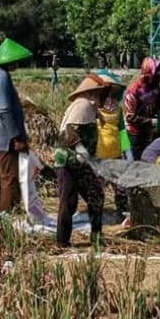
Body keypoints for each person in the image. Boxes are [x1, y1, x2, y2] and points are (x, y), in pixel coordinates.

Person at [53, 74, 108, 248]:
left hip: (81, 163)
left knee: (96, 196)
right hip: (68, 162)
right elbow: (69, 130)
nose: (104, 97)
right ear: (93, 93)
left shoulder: (91, 109)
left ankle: (97, 238)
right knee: (68, 201)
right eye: (102, 94)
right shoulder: (82, 105)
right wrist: (81, 149)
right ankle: (62, 243)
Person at [0, 38, 33, 213]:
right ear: (8, 60)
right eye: (16, 61)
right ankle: (7, 215)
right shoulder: (2, 77)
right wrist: (16, 137)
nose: (18, 65)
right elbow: (4, 110)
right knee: (9, 178)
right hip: (4, 136)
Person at [93, 69, 133, 220]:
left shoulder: (118, 109)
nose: (109, 95)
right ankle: (96, 215)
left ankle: (122, 215)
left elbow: (122, 132)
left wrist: (128, 154)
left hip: (116, 155)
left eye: (111, 90)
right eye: (106, 90)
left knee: (120, 188)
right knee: (98, 189)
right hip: (99, 156)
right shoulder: (94, 108)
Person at [123, 57, 160, 159]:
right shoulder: (134, 91)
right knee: (135, 161)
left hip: (148, 131)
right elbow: (129, 117)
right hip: (134, 133)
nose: (159, 77)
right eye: (157, 75)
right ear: (149, 75)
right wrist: (152, 122)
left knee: (148, 159)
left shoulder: (154, 88)